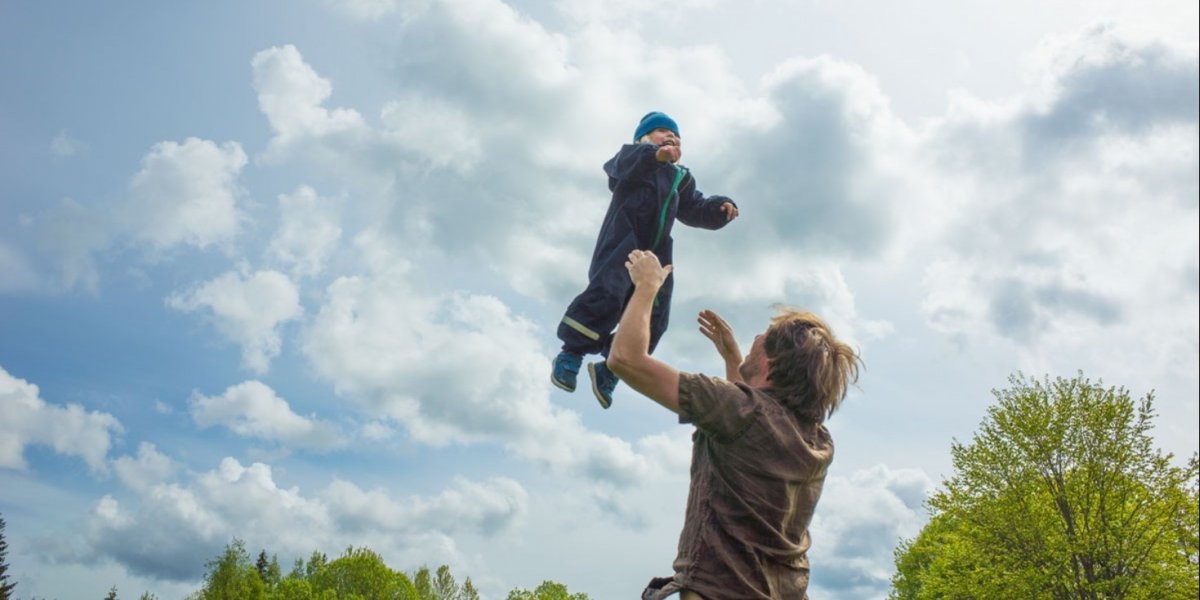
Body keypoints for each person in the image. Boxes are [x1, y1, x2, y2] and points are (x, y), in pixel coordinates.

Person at [607, 249, 863, 600]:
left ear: (771, 361)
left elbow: (626, 360)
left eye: (764, 334)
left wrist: (647, 285)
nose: (756, 336)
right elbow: (745, 435)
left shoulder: (740, 411)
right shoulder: (817, 440)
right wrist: (733, 359)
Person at [552, 111, 739, 409]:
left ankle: (611, 367)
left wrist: (720, 209)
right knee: (607, 294)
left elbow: (694, 207)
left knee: (656, 313)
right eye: (662, 132)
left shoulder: (681, 177)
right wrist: (654, 156)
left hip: (658, 253)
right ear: (642, 138)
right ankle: (571, 352)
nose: (671, 137)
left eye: (676, 136)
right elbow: (618, 170)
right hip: (623, 242)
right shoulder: (632, 158)